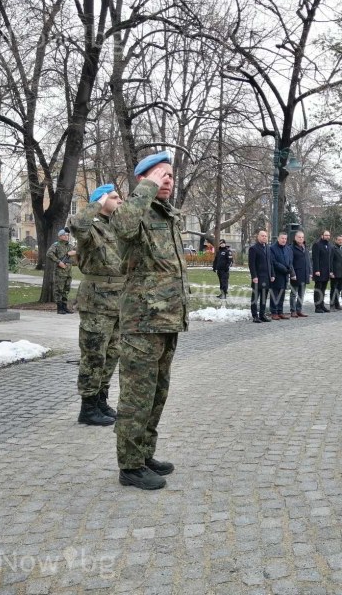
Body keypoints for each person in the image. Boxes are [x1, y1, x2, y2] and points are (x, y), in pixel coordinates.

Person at [111, 151, 189, 490]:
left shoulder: (166, 215)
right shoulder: (136, 211)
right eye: (161, 175)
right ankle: (129, 466)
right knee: (136, 396)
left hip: (165, 321)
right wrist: (146, 188)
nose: (168, 180)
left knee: (157, 394)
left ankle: (143, 454)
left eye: (171, 175)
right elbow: (123, 225)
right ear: (143, 179)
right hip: (142, 323)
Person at [69, 184, 124, 427]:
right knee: (94, 355)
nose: (120, 200)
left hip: (119, 299)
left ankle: (101, 400)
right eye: (114, 197)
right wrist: (98, 202)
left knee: (112, 354)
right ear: (101, 201)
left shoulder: (117, 225)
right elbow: (77, 223)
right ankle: (88, 407)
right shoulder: (90, 227)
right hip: (97, 301)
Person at [46, 228, 77, 314]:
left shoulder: (70, 246)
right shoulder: (56, 245)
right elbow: (49, 253)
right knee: (59, 290)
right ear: (60, 236)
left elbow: (76, 251)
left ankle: (64, 307)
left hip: (68, 271)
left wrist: (73, 252)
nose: (67, 236)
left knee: (66, 289)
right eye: (65, 235)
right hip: (60, 272)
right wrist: (59, 262)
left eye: (67, 235)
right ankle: (59, 308)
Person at [248, 230, 273, 323]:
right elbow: (252, 264)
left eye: (266, 236)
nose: (264, 237)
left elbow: (270, 263)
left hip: (266, 278)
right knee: (255, 298)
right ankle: (255, 316)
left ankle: (262, 315)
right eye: (262, 236)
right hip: (257, 278)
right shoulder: (253, 249)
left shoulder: (267, 248)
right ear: (258, 237)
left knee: (264, 297)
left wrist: (272, 275)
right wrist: (254, 276)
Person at [269, 232, 293, 320]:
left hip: (285, 275)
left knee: (282, 294)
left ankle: (280, 311)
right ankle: (274, 312)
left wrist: (289, 268)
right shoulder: (272, 248)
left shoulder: (288, 249)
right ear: (278, 238)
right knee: (274, 294)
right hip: (276, 275)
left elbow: (290, 260)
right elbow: (273, 262)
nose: (284, 240)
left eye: (285, 239)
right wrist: (284, 269)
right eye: (282, 238)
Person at [289, 231, 311, 318]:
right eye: (299, 237)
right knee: (294, 294)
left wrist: (310, 272)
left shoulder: (305, 247)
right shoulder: (291, 248)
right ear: (295, 237)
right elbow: (290, 263)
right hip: (296, 275)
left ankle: (299, 310)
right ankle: (293, 311)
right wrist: (292, 274)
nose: (301, 239)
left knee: (301, 294)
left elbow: (308, 261)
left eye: (302, 237)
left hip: (304, 274)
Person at [311, 230, 333, 313]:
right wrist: (316, 270)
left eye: (329, 235)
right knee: (318, 289)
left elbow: (330, 260)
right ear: (322, 236)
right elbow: (315, 258)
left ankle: (322, 305)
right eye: (326, 235)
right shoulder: (317, 244)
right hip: (319, 271)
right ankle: (317, 307)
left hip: (326, 272)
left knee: (323, 290)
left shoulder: (329, 245)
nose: (327, 237)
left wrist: (330, 271)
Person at [329, 234, 342, 310]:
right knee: (333, 289)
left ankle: (337, 304)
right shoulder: (333, 248)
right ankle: (332, 304)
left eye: (341, 240)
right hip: (335, 273)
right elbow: (330, 261)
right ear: (336, 240)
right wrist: (331, 272)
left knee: (339, 289)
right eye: (339, 240)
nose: (340, 241)